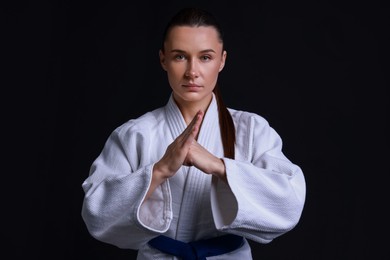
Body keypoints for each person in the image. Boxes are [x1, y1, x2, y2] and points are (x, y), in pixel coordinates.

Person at [81, 7, 306, 259]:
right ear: (163, 59)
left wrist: (220, 167)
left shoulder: (252, 130)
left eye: (205, 57)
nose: (192, 71)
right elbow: (95, 212)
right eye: (180, 57)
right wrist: (160, 170)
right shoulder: (135, 134)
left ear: (222, 60)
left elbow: (289, 202)